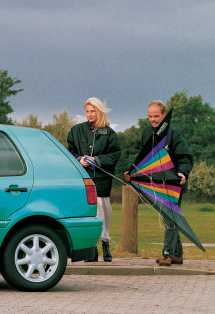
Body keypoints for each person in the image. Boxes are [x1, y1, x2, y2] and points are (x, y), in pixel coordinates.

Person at [124, 101, 193, 267]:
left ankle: (167, 254)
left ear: (164, 115)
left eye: (156, 116)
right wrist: (132, 172)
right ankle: (177, 255)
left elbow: (185, 157)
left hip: (173, 182)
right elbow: (145, 158)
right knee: (170, 217)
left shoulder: (174, 132)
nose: (153, 120)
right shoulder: (147, 131)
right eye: (150, 116)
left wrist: (182, 173)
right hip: (156, 183)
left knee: (170, 218)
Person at [67, 98, 121, 262]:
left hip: (102, 181)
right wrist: (79, 159)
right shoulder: (76, 131)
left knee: (104, 215)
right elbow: (69, 151)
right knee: (87, 215)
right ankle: (91, 250)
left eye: (93, 111)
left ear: (100, 112)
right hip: (83, 181)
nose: (90, 114)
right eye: (87, 111)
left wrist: (96, 159)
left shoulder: (109, 133)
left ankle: (105, 245)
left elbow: (114, 155)